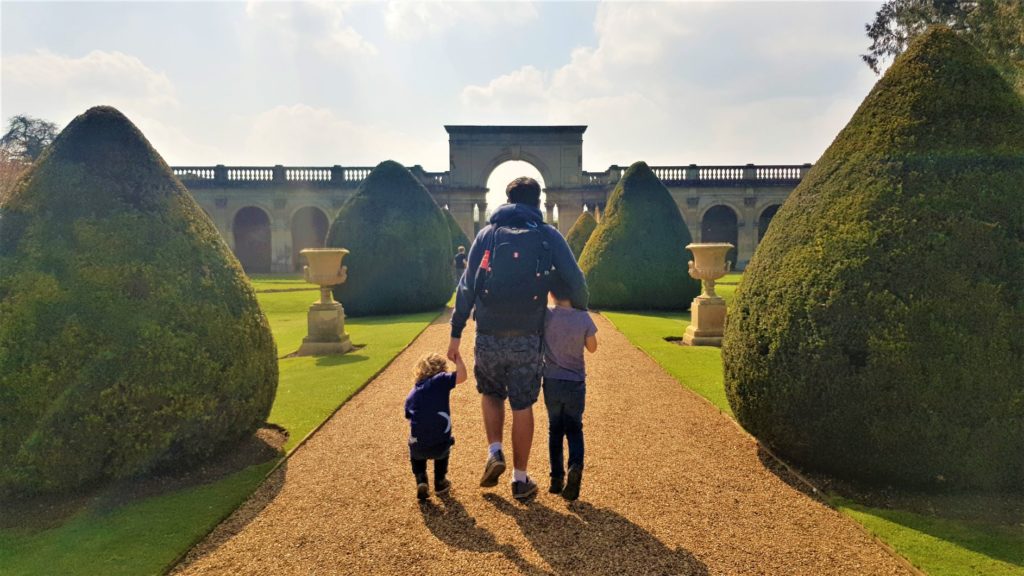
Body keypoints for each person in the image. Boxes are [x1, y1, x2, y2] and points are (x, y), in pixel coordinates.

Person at [448, 177, 589, 502]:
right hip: (527, 334)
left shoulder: (487, 234)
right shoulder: (547, 234)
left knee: (492, 393)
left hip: (489, 333)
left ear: (507, 199)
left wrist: (456, 332)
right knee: (523, 405)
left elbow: (467, 286)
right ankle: (520, 479)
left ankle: (495, 451)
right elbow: (576, 280)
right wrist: (578, 313)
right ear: (537, 202)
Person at [542, 281, 597, 501]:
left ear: (551, 292)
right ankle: (575, 466)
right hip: (575, 382)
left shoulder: (546, 315)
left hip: (552, 381)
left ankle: (556, 479)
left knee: (554, 429)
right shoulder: (582, 317)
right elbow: (592, 348)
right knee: (574, 428)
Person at [405, 352, 467, 500]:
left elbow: (408, 415)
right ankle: (440, 481)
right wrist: (458, 359)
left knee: (415, 451)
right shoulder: (440, 380)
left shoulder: (412, 393)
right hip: (440, 444)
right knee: (443, 449)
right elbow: (462, 376)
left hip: (419, 446)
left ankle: (421, 479)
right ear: (441, 368)